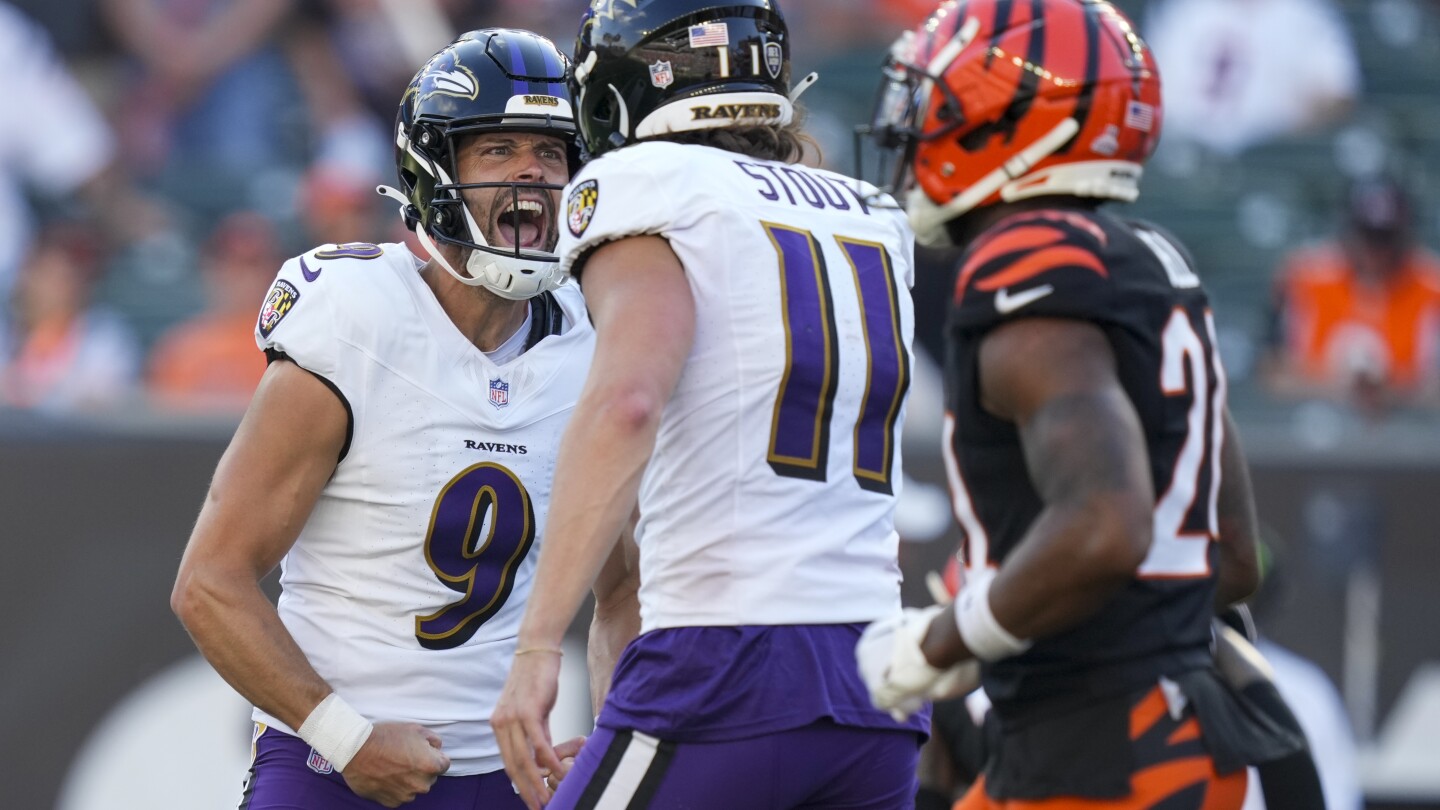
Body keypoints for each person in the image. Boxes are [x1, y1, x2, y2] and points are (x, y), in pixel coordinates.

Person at [854, 1, 1313, 807]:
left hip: (1099, 751)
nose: (916, 129)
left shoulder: (1028, 264)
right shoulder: (1155, 261)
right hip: (1186, 739)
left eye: (941, 104)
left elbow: (1105, 521)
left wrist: (948, 637)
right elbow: (1230, 559)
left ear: (1008, 122)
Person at [170, 29, 628, 809]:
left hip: (504, 773)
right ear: (434, 172)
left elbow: (622, 587)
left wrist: (615, 740)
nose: (531, 172)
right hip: (330, 764)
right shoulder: (356, 318)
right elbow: (209, 583)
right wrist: (348, 736)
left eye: (552, 153)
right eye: (498, 150)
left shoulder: (597, 339)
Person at [490, 1, 926, 807]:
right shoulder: (874, 214)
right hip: (878, 670)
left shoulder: (647, 183)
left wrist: (534, 646)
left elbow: (627, 403)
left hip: (726, 656)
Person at [1261, 174, 1440, 412]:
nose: (1377, 251)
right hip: (1310, 432)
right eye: (1369, 236)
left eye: (1386, 238)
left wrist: (1390, 390)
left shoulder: (1431, 285)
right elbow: (1271, 374)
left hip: (1404, 435)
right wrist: (1342, 386)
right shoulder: (1305, 276)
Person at [1142, 0, 1359, 156]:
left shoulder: (1308, 14)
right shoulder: (1187, 9)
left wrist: (1282, 135)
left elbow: (1338, 98)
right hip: (1179, 147)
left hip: (1268, 156)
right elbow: (1149, 83)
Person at [146, 211, 278, 412]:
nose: (239, 277)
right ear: (211, 268)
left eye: (251, 265)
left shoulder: (287, 348)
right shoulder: (180, 348)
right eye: (230, 264)